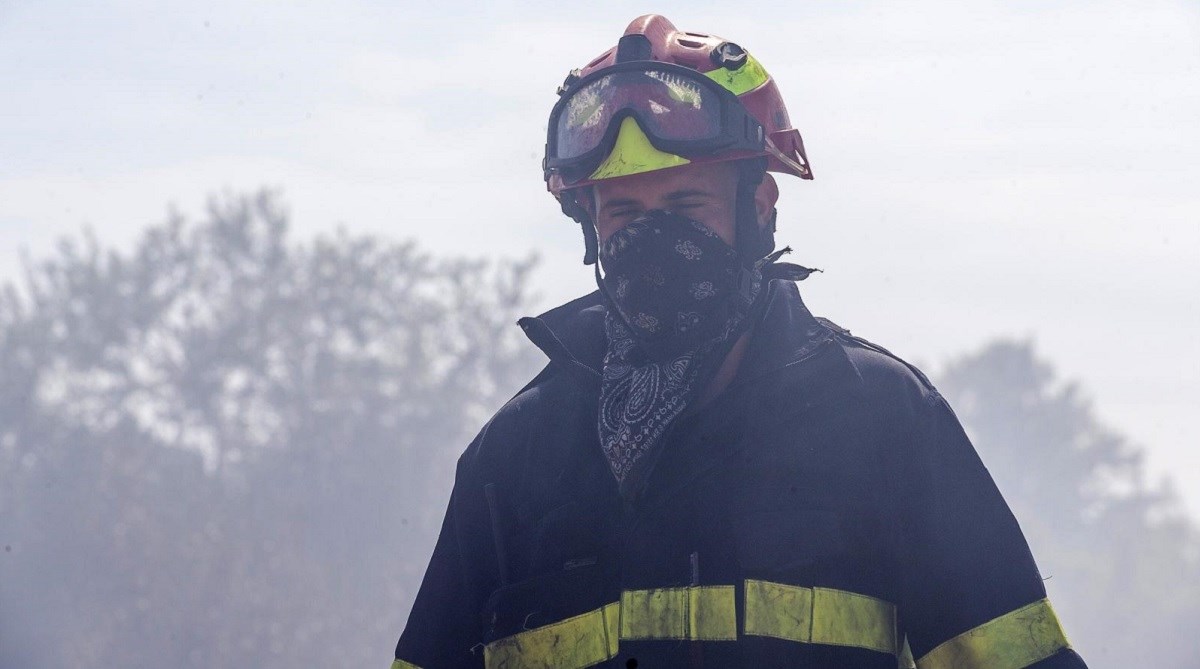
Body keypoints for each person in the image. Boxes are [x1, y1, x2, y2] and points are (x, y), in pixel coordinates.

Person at [392, 15, 1087, 669]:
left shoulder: (879, 419)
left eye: (685, 206)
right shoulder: (514, 459)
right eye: (625, 212)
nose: (652, 241)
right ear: (589, 226)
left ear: (758, 208)